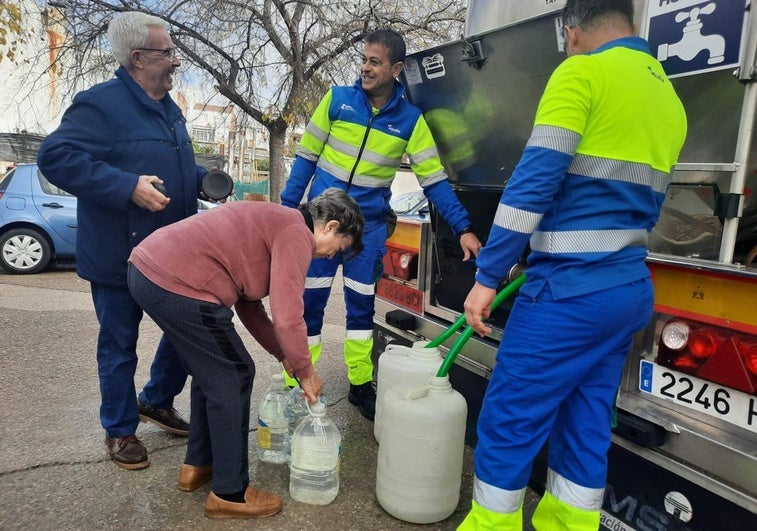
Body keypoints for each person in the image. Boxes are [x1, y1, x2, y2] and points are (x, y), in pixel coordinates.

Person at [458, 1, 687, 529]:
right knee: (586, 424)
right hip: (627, 288)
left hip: (568, 292)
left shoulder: (582, 72)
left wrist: (488, 275)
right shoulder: (667, 97)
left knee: (510, 421)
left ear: (571, 29)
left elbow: (534, 183)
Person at [36, 12, 210, 469]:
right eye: (168, 52)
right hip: (121, 255)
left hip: (173, 253)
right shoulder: (101, 104)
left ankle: (155, 399)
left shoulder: (170, 108)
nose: (176, 60)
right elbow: (54, 157)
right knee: (119, 345)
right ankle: (119, 429)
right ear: (138, 57)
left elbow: (172, 168)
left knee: (186, 330)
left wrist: (204, 178)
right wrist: (125, 185)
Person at [280, 29, 482, 420]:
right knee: (308, 305)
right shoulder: (337, 101)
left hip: (367, 230)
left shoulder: (410, 120)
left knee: (360, 309)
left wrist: (463, 227)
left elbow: (434, 179)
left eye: (375, 62)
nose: (366, 68)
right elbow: (305, 158)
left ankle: (359, 384)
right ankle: (295, 383)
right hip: (319, 225)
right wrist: (288, 214)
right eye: (364, 60)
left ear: (396, 68)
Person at [127, 189, 363, 518]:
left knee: (213, 373)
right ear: (329, 226)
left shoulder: (275, 223)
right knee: (234, 373)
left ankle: (199, 464)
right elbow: (288, 314)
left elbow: (249, 304)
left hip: (151, 271)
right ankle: (231, 493)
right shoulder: (296, 232)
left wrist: (284, 354)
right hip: (178, 281)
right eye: (338, 248)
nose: (329, 257)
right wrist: (306, 371)